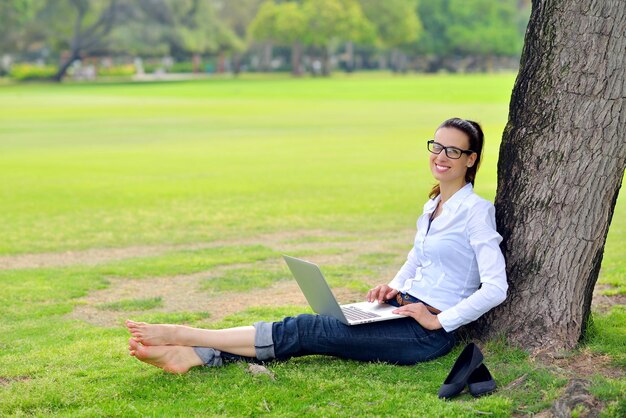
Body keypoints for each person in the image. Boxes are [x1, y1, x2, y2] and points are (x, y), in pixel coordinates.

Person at [126, 117, 508, 374]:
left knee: (310, 329)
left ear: (471, 160)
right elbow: (417, 257)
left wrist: (438, 320)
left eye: (453, 151)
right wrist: (393, 287)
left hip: (424, 335)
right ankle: (197, 356)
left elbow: (495, 287)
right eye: (437, 147)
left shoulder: (476, 212)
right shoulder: (432, 205)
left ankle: (186, 336)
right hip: (398, 308)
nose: (441, 157)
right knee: (319, 327)